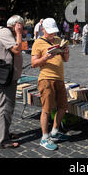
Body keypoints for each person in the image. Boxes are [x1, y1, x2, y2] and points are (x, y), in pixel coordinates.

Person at [31, 18, 70, 151]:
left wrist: (65, 52)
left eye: (54, 32)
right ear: (43, 30)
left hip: (59, 78)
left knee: (63, 106)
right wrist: (45, 58)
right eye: (50, 32)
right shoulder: (38, 43)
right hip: (46, 79)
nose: (53, 35)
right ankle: (44, 137)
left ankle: (54, 132)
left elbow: (65, 60)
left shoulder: (59, 40)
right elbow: (34, 64)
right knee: (46, 109)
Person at [0, 15, 24, 149]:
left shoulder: (4, 32)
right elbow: (17, 49)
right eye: (21, 25)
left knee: (7, 106)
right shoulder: (5, 33)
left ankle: (4, 133)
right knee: (5, 106)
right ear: (16, 24)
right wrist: (18, 34)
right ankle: (2, 140)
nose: (22, 28)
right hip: (7, 76)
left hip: (9, 75)